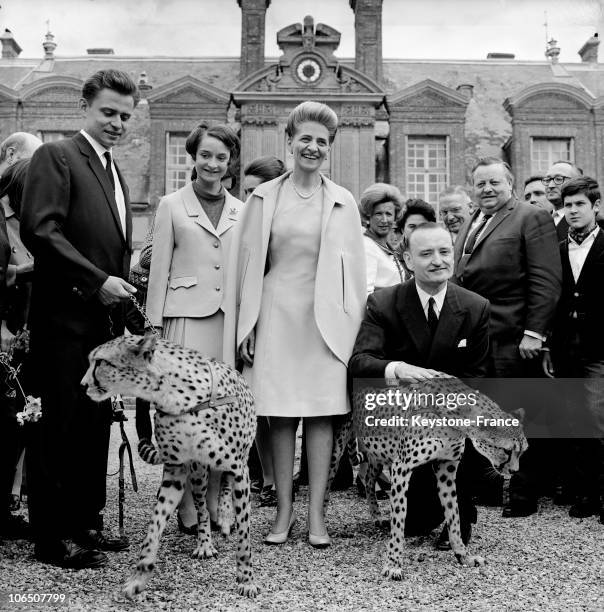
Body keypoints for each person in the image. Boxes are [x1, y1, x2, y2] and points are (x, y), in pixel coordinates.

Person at [225, 101, 366, 547]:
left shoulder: (343, 201)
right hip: (276, 313)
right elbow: (244, 267)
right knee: (280, 416)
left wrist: (354, 331)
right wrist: (245, 326)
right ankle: (284, 511)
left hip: (328, 320)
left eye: (322, 141)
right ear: (289, 142)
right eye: (305, 138)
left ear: (330, 149)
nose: (313, 146)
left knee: (323, 414)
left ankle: (318, 516)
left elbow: (356, 274)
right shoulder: (264, 197)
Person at [21, 69, 140, 569]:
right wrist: (97, 282)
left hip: (102, 327)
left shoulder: (113, 170)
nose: (116, 123)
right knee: (60, 428)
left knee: (94, 425)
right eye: (108, 112)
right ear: (84, 108)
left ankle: (85, 521)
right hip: (63, 321)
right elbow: (40, 231)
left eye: (124, 116)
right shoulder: (57, 156)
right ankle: (52, 536)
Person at [349, 222, 489, 546]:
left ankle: (462, 511)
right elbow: (360, 361)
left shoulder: (475, 306)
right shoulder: (383, 303)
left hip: (453, 412)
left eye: (444, 251)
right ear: (408, 260)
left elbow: (479, 376)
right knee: (416, 523)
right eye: (426, 253)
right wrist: (396, 368)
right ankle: (425, 505)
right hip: (403, 414)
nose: (438, 260)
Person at [146, 122, 243, 533]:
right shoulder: (171, 205)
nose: (213, 164)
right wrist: (153, 329)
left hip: (226, 323)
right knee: (179, 413)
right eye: (206, 155)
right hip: (183, 318)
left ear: (230, 162)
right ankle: (185, 501)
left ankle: (214, 499)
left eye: (222, 157)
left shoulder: (243, 209)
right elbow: (158, 269)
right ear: (193, 156)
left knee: (221, 416)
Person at [454, 157, 562, 517]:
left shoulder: (531, 217)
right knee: (486, 417)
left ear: (510, 184)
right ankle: (485, 490)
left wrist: (535, 332)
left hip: (515, 336)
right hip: (478, 338)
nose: (487, 189)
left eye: (494, 183)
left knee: (521, 416)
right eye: (480, 183)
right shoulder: (473, 220)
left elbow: (546, 280)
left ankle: (523, 496)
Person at [543, 177, 604, 524]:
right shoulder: (557, 247)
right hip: (566, 346)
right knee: (575, 418)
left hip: (598, 347)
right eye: (568, 205)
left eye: (580, 204)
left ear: (594, 206)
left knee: (597, 417)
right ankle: (585, 493)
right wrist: (550, 344)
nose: (573, 211)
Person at [0, 159, 34, 540]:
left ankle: (10, 505)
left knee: (20, 424)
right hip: (7, 332)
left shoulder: (32, 219)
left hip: (24, 334)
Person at [360, 182, 406, 294]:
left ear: (395, 216)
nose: (384, 220)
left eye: (389, 214)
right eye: (378, 214)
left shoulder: (385, 246)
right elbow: (366, 293)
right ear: (368, 216)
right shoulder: (367, 247)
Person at [543, 160, 583, 240]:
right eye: (547, 180)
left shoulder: (590, 221)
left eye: (558, 179)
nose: (550, 185)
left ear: (577, 183)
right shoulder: (542, 220)